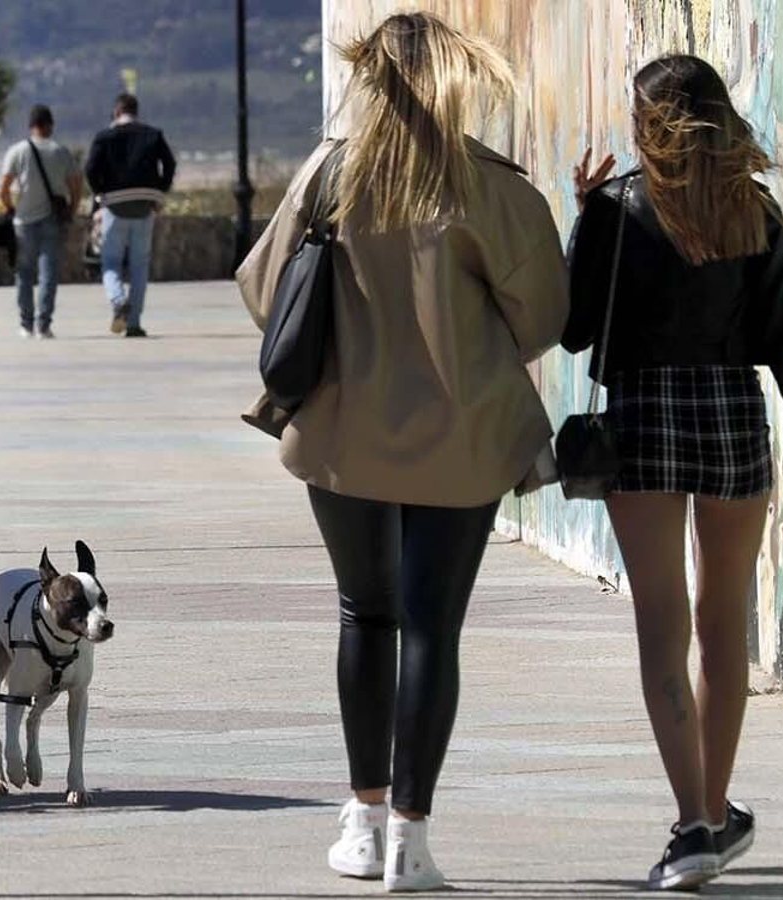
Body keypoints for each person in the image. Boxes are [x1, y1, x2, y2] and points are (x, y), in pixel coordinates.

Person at [237, 13, 568, 892]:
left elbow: (264, 290)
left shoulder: (332, 173)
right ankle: (413, 840)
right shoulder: (493, 189)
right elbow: (542, 319)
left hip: (343, 434)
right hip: (462, 438)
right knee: (432, 626)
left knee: (364, 612)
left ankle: (363, 817)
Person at [566, 55, 783, 892]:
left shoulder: (618, 210)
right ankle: (717, 809)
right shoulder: (754, 210)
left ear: (648, 121)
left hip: (643, 418)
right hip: (733, 413)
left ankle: (694, 824)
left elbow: (575, 331)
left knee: (662, 620)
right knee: (722, 618)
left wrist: (583, 214)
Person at [84, 93, 176, 337]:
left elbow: (90, 169)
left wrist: (100, 194)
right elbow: (170, 164)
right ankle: (134, 323)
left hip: (114, 207)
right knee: (139, 265)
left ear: (116, 111)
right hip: (145, 205)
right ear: (136, 111)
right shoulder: (153, 135)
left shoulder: (104, 137)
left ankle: (117, 300)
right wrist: (159, 193)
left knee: (111, 261)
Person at [1, 104, 81, 340]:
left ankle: (26, 325)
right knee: (49, 273)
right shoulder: (61, 151)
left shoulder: (17, 151)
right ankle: (43, 326)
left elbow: (4, 188)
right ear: (50, 125)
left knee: (24, 273)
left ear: (30, 126)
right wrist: (72, 210)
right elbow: (76, 186)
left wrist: (10, 208)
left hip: (23, 221)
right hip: (52, 221)